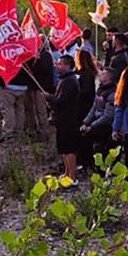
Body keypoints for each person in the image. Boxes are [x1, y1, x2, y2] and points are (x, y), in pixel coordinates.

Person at [48, 52, 81, 180]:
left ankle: (72, 177)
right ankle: (67, 173)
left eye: (60, 64)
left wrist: (49, 97)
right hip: (62, 120)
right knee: (63, 148)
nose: (57, 66)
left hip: (68, 120)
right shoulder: (65, 79)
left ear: (67, 66)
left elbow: (62, 100)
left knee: (69, 149)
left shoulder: (70, 81)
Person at [78, 67, 116, 171]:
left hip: (107, 125)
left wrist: (92, 126)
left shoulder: (112, 93)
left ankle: (93, 164)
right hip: (96, 121)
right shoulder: (100, 90)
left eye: (103, 74)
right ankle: (86, 163)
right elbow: (93, 108)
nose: (100, 75)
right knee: (81, 133)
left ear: (109, 77)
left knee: (88, 136)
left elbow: (108, 116)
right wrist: (85, 122)